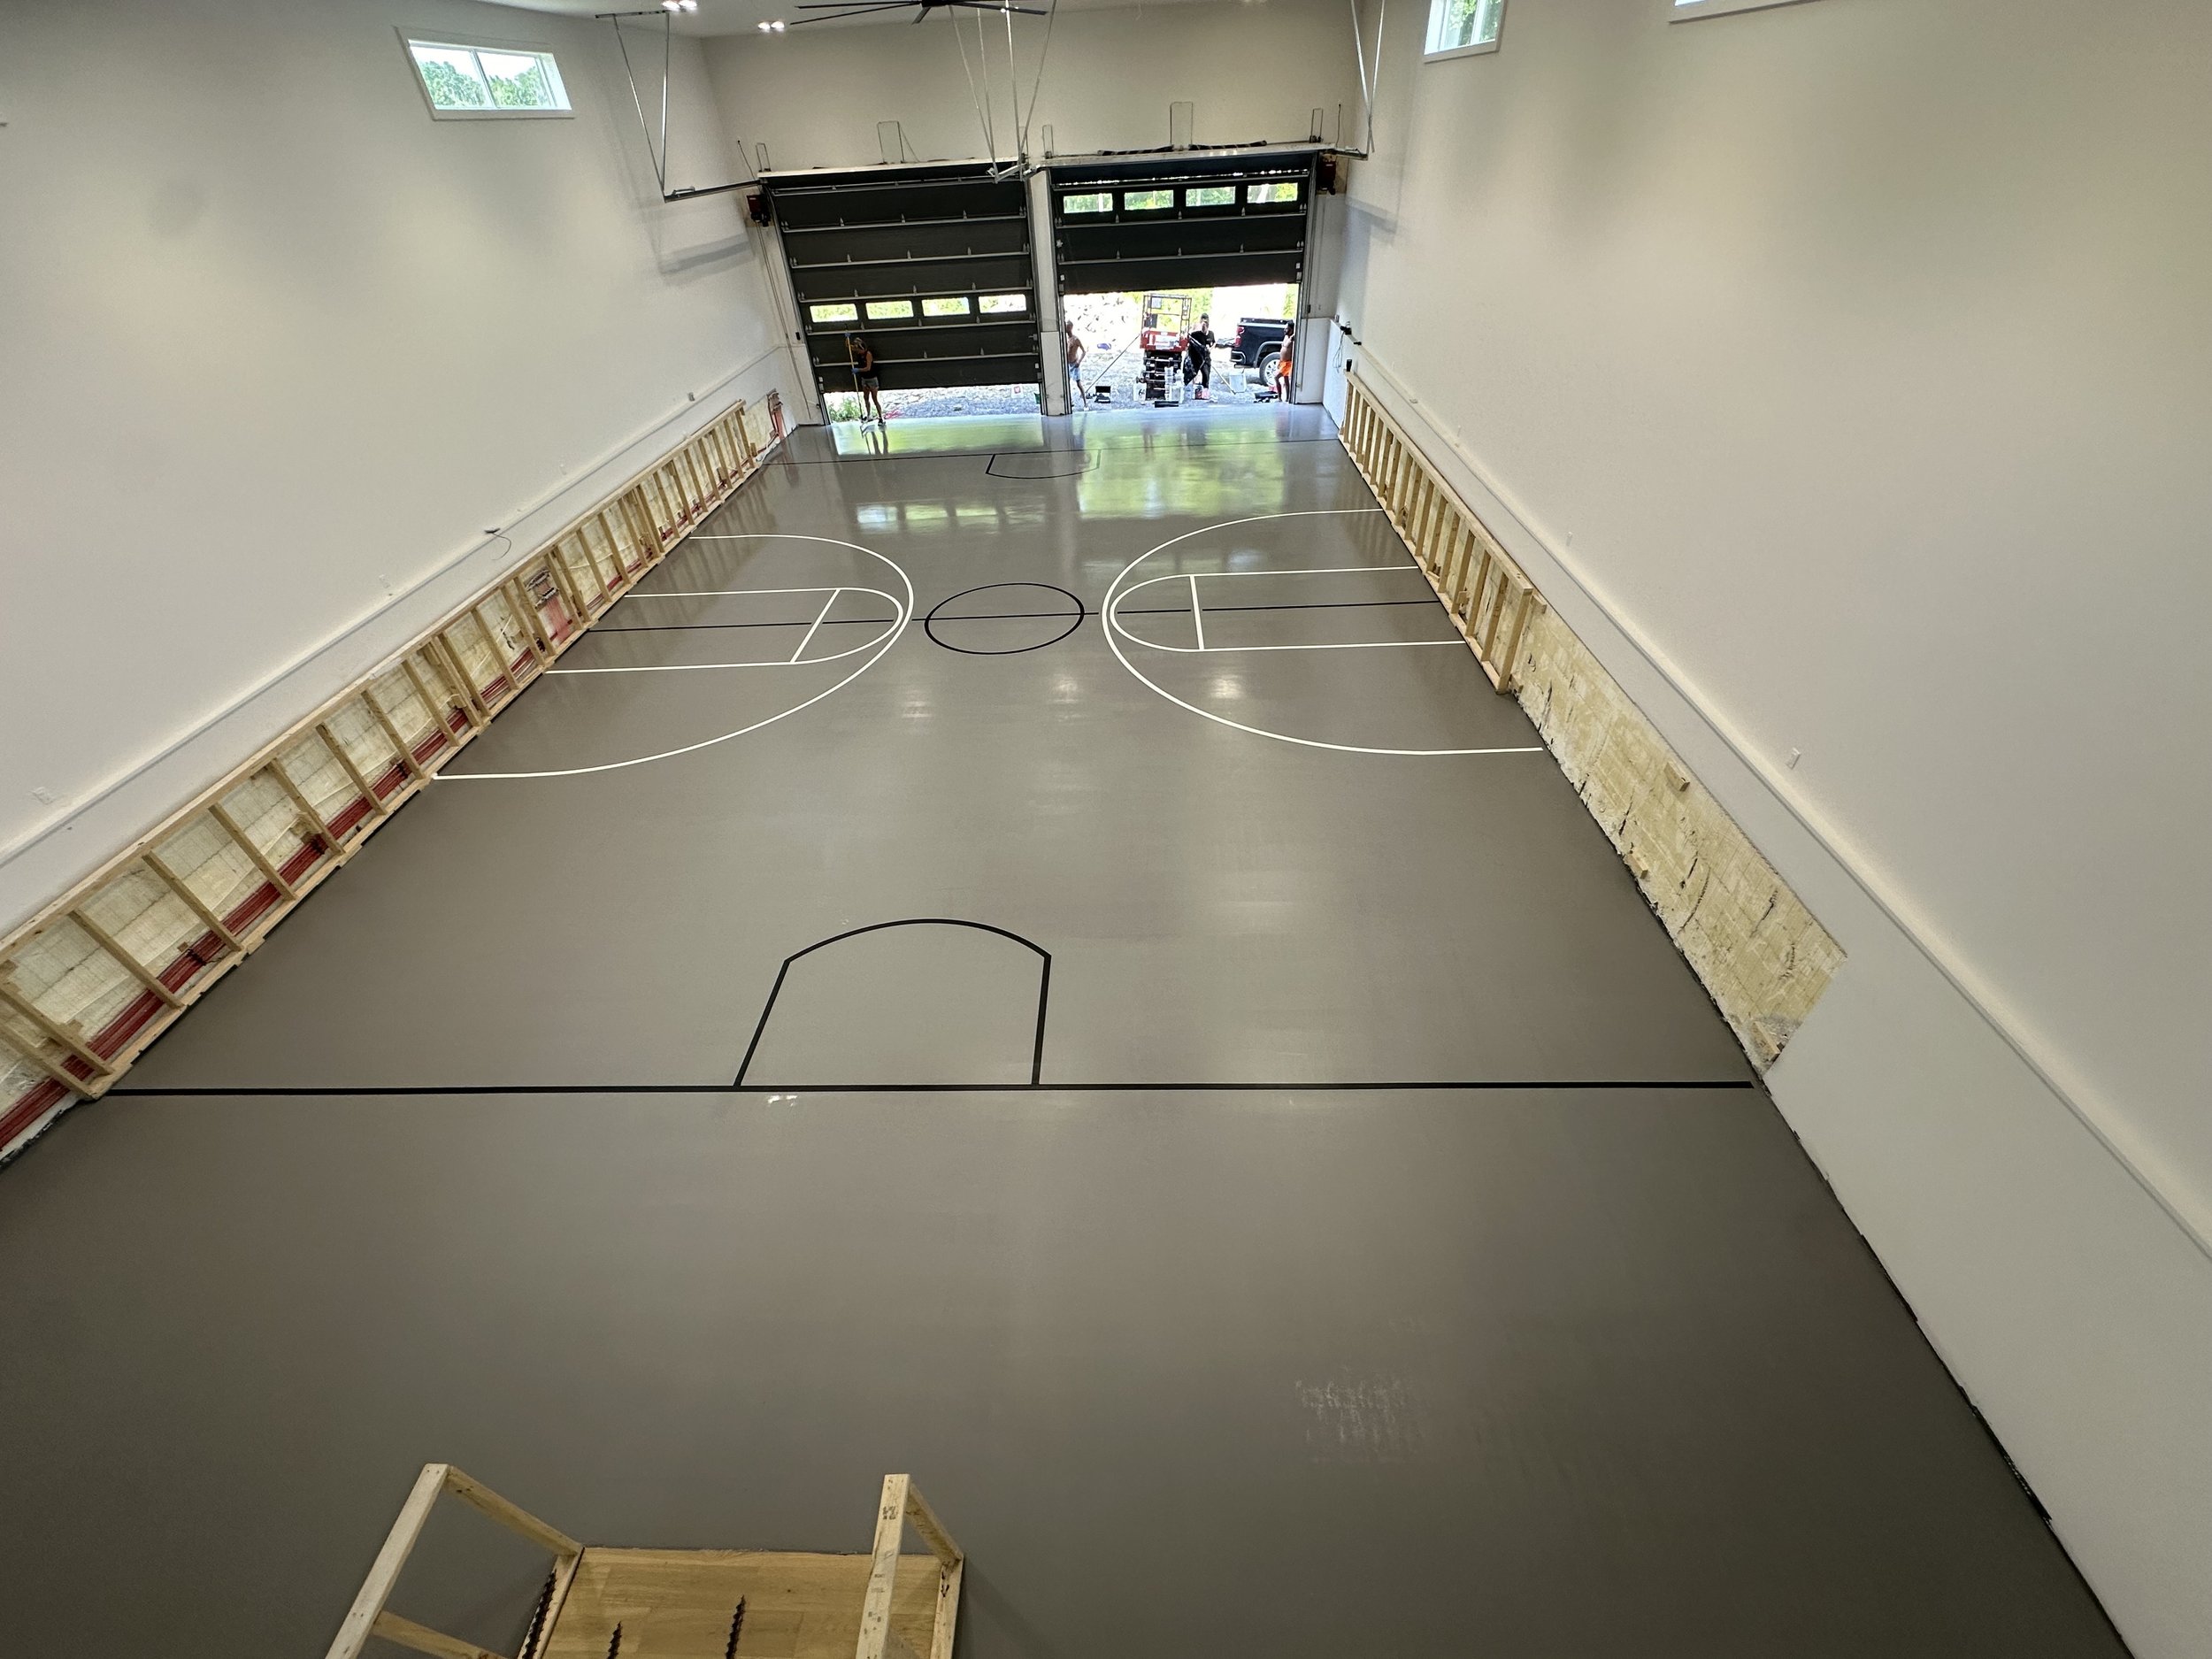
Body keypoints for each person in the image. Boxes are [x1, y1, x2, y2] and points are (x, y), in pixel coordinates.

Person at [847, 334, 883, 423]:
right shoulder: (858, 351)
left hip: (872, 378)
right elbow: (848, 346)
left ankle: (881, 417)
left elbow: (868, 368)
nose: (857, 351)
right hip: (864, 379)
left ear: (862, 349)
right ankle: (869, 415)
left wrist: (858, 370)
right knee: (866, 397)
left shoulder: (868, 354)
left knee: (875, 398)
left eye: (858, 350)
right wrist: (846, 338)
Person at [1183, 312, 1217, 400]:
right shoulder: (1196, 335)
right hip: (1197, 359)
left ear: (1208, 326)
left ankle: (1205, 393)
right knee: (1193, 374)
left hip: (1206, 359)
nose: (1203, 329)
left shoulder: (1211, 334)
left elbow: (1214, 343)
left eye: (1205, 327)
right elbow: (1189, 340)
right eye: (1202, 326)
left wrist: (1210, 349)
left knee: (1206, 375)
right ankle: (1194, 392)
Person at [1063, 320, 1087, 405]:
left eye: (1068, 327)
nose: (1067, 329)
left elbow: (1084, 351)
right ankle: (1070, 401)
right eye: (1066, 327)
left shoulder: (1075, 339)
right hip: (1067, 364)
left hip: (1074, 363)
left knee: (1078, 383)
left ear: (1071, 328)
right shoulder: (1065, 339)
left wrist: (1079, 362)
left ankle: (1085, 403)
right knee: (1067, 382)